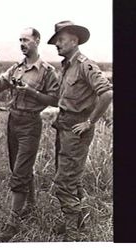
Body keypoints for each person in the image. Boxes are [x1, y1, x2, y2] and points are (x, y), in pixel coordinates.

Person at [0, 27, 59, 242]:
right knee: (18, 167)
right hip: (13, 122)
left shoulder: (47, 71)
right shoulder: (16, 68)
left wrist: (31, 92)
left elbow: (55, 100)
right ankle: (31, 205)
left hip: (30, 124)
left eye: (25, 40)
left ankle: (13, 223)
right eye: (20, 40)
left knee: (19, 173)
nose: (22, 43)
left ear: (37, 41)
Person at [47, 21, 113, 241]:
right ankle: (79, 218)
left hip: (76, 130)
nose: (57, 44)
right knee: (72, 179)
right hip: (64, 127)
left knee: (63, 182)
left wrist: (90, 122)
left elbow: (106, 94)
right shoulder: (67, 65)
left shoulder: (85, 65)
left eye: (60, 39)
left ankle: (73, 234)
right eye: (56, 40)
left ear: (74, 40)